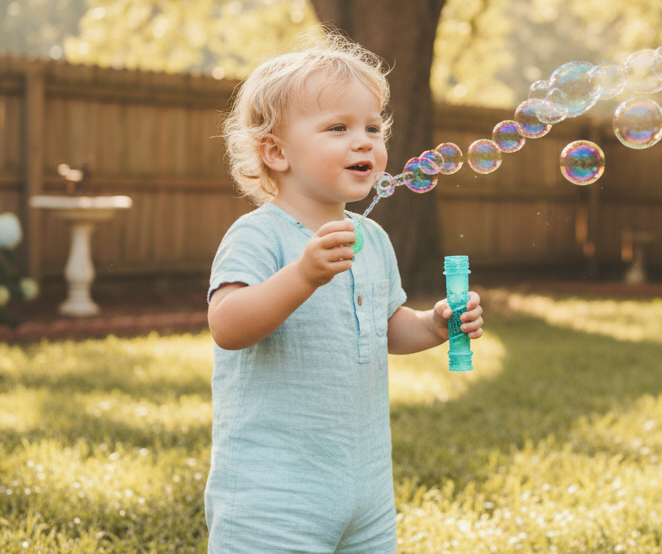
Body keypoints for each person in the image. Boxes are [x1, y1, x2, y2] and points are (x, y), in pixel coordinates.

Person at [205, 33, 483, 553]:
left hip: (364, 489)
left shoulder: (371, 238)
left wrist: (434, 324)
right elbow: (227, 326)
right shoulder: (258, 235)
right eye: (338, 128)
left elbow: (385, 326)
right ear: (276, 151)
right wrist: (303, 276)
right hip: (274, 495)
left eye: (373, 128)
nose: (364, 142)